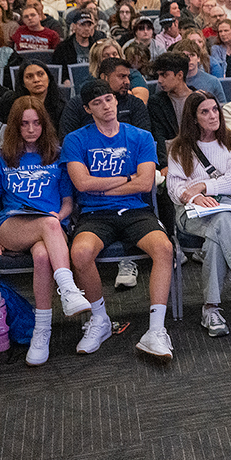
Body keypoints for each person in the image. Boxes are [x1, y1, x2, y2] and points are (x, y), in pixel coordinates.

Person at [64, 79, 175, 360]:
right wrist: (127, 177)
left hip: (135, 210)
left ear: (116, 100)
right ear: (88, 109)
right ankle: (99, 320)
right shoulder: (76, 140)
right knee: (80, 253)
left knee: (164, 249)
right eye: (98, 103)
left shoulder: (140, 136)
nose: (106, 106)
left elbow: (145, 183)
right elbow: (81, 184)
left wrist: (101, 183)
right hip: (94, 213)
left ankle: (156, 329)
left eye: (109, 100)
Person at [0, 97, 87, 366]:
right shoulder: (0, 159)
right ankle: (69, 289)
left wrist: (59, 217)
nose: (31, 129)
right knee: (49, 227)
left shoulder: (57, 155)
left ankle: (42, 331)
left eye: (37, 123)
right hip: (13, 224)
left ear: (44, 125)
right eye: (25, 123)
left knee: (42, 256)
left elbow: (66, 203)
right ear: (15, 126)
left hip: (50, 225)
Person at [167, 91, 231, 337]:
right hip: (191, 212)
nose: (213, 115)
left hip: (228, 206)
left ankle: (211, 308)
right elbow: (174, 187)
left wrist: (203, 186)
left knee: (219, 230)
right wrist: (193, 197)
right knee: (220, 226)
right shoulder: (179, 147)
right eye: (205, 111)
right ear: (193, 118)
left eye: (215, 109)